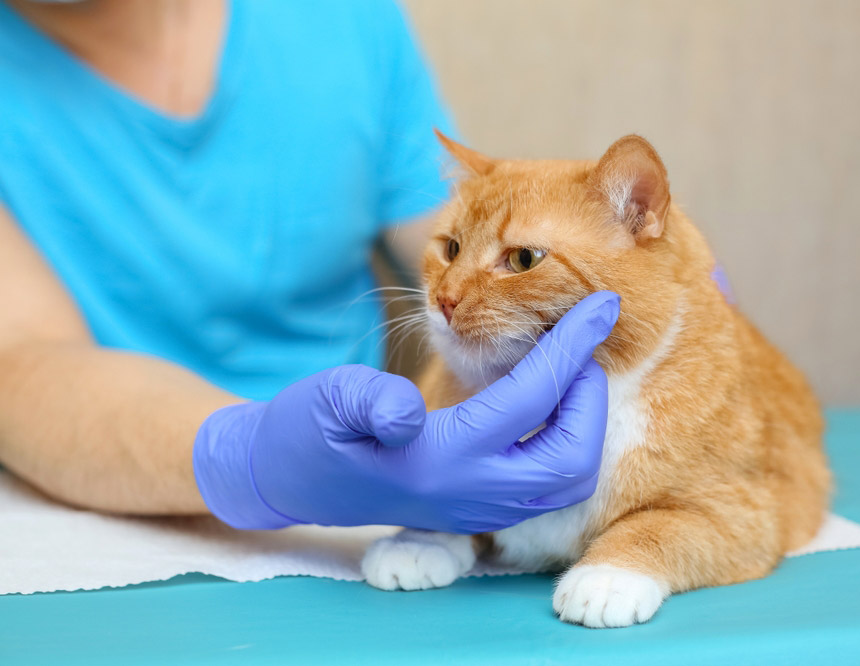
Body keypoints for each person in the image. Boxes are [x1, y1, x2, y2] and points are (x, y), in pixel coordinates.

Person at [0, 0, 617, 533]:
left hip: (371, 511)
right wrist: (248, 458)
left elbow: (454, 239)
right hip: (94, 512)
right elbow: (18, 363)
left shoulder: (341, 18)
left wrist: (633, 281)